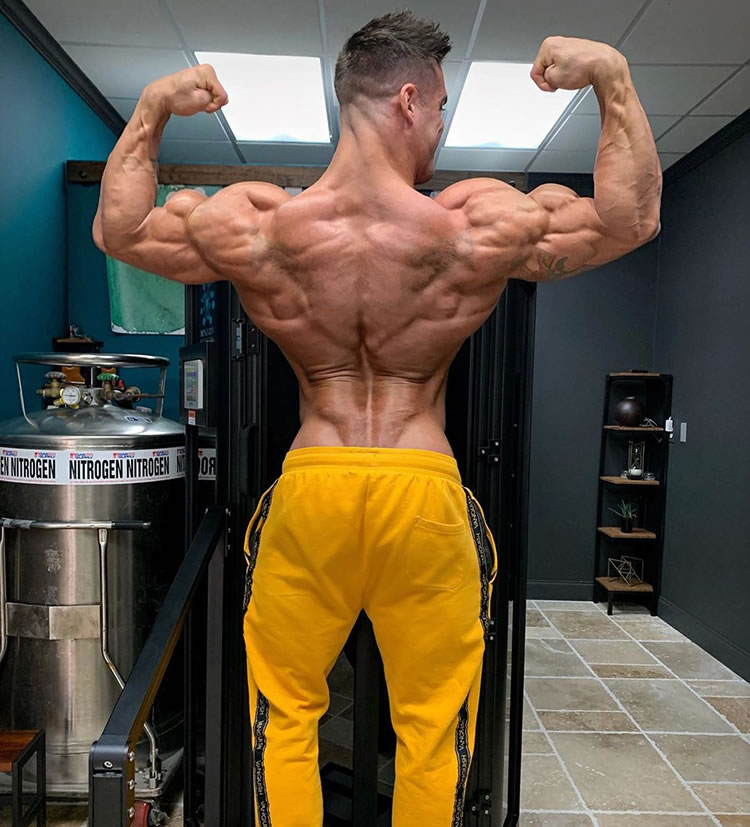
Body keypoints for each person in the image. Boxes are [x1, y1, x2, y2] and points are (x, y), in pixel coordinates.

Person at [93, 10, 661, 823]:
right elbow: (631, 218)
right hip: (421, 492)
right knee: (432, 729)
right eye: (440, 108)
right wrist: (611, 75)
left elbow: (120, 229)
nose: (440, 128)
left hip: (313, 490)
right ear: (408, 99)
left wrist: (151, 107)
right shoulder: (474, 221)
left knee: (284, 718)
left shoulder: (258, 224)